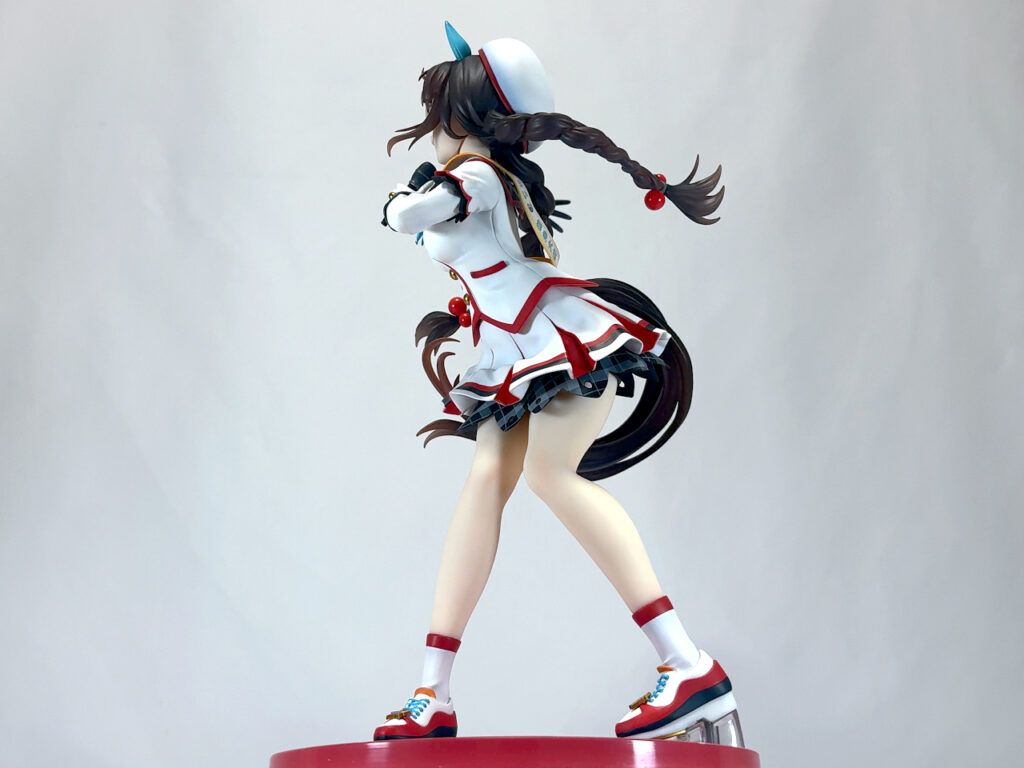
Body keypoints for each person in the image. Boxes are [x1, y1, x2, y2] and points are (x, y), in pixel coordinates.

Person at [373, 23, 741, 745]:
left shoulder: (477, 177)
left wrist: (396, 200)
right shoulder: (486, 178)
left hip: (555, 345)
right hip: (515, 353)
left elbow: (408, 216)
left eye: (439, 114)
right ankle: (432, 690)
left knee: (550, 478)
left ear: (467, 117)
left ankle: (689, 665)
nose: (431, 131)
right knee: (485, 485)